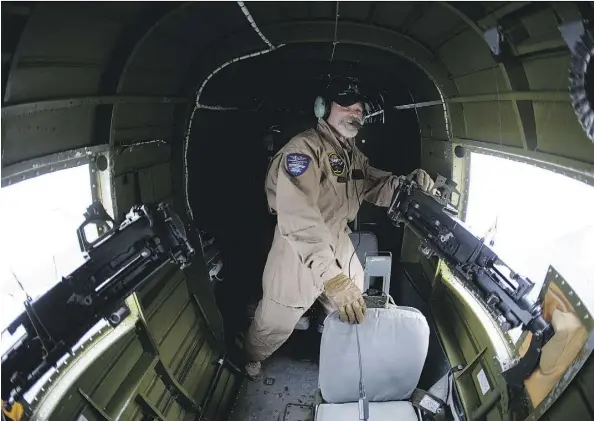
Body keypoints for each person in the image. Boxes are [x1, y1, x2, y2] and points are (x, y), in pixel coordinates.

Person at [243, 81, 435, 379]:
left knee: (355, 308)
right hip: (298, 247)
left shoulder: (352, 156)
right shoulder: (303, 151)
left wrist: (406, 186)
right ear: (323, 108)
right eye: (346, 105)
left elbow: (371, 183)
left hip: (338, 241)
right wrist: (331, 276)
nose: (355, 112)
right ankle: (250, 355)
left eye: (359, 108)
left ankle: (349, 368)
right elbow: (298, 217)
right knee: (276, 319)